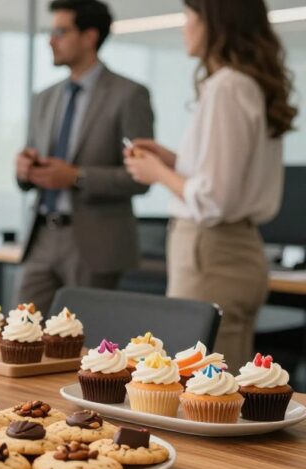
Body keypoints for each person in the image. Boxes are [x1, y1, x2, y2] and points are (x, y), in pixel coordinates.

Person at [125, 0, 296, 371]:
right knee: (223, 381)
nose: (184, 26)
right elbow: (225, 180)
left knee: (202, 387)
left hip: (212, 251)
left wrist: (157, 173)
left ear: (215, 23)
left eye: (190, 16)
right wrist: (173, 161)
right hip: (237, 250)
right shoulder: (248, 85)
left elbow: (212, 198)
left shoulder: (227, 86)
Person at [14, 0, 154, 313]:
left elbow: (141, 176)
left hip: (94, 243)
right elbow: (31, 161)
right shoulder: (44, 98)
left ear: (90, 36)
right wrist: (23, 170)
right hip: (40, 236)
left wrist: (77, 176)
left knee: (86, 348)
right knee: (18, 337)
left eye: (61, 31)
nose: (51, 40)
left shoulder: (129, 95)